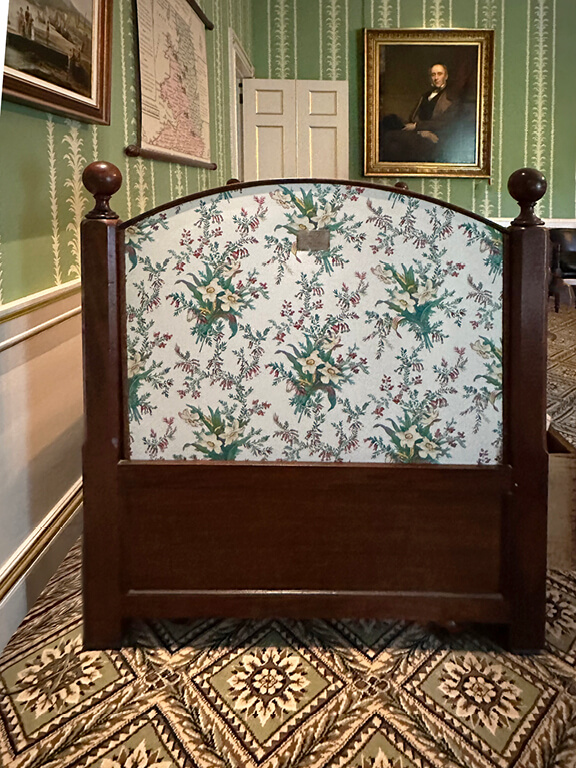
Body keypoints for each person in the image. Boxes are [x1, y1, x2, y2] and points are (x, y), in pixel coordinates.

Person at [379, 63, 475, 164]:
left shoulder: (451, 98)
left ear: (446, 76)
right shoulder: (426, 96)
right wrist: (420, 130)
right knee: (390, 131)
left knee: (390, 137)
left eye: (439, 74)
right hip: (420, 133)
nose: (436, 78)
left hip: (436, 139)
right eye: (433, 75)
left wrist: (418, 127)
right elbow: (415, 117)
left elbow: (445, 123)